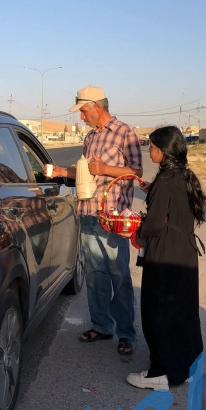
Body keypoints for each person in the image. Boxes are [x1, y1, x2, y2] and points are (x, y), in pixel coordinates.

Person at [48, 85, 143, 355]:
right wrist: (61, 171)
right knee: (94, 274)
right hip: (88, 213)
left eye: (84, 111)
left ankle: (126, 333)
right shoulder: (90, 138)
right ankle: (102, 326)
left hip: (112, 218)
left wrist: (105, 168)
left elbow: (136, 171)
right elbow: (85, 173)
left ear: (97, 107)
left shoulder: (125, 132)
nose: (81, 117)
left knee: (119, 276)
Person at [126, 125, 206, 391]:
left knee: (159, 309)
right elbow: (172, 205)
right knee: (182, 309)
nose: (149, 151)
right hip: (184, 250)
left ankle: (162, 372)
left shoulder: (165, 180)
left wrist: (138, 238)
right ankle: (187, 367)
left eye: (152, 147)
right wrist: (153, 191)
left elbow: (153, 223)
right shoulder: (182, 174)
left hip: (166, 251)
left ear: (163, 150)